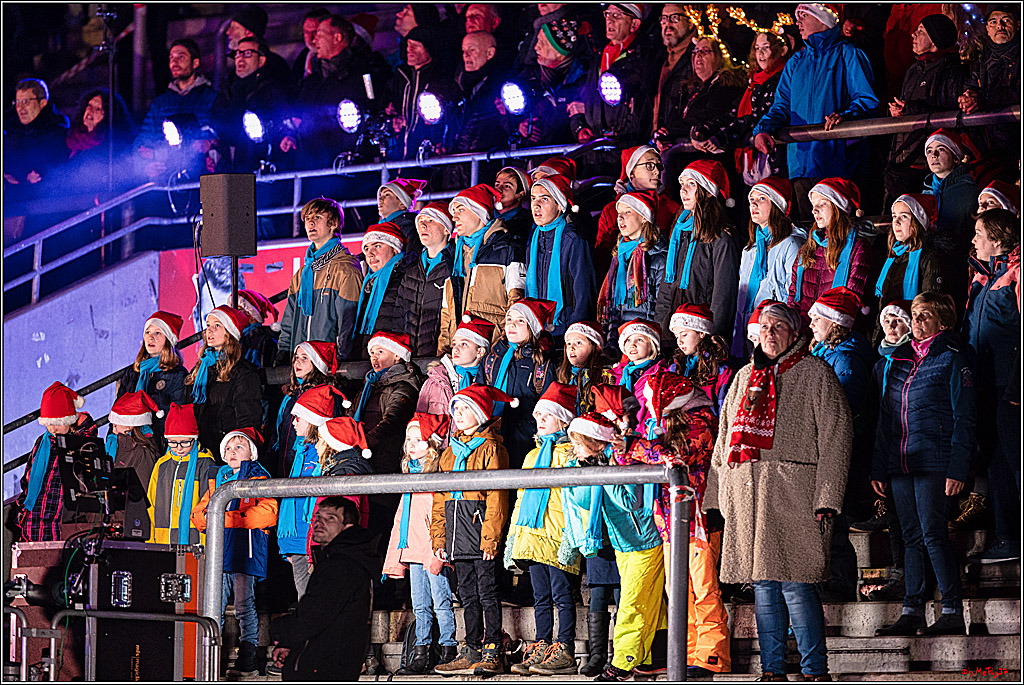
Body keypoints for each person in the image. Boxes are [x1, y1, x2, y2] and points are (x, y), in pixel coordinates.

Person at [704, 301, 852, 681]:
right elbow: (724, 440)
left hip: (795, 495)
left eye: (778, 327)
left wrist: (828, 496)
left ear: (794, 332)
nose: (769, 333)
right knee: (764, 588)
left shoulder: (816, 373)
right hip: (748, 496)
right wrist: (717, 496)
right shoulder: (744, 376)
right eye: (764, 327)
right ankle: (772, 671)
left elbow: (836, 438)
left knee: (797, 585)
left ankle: (815, 670)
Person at [613, 372, 730, 678]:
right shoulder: (660, 427)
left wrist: (634, 445)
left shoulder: (701, 422)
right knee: (678, 591)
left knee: (704, 589)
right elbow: (631, 457)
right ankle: (687, 654)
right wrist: (625, 445)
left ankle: (711, 654)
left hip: (700, 521)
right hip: (669, 522)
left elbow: (677, 456)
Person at [872, 293, 975, 636]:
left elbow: (965, 416)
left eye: (925, 315)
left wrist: (958, 468)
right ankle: (912, 610)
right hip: (902, 462)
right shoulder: (898, 361)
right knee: (911, 535)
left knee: (933, 533)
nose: (916, 321)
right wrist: (879, 467)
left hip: (935, 460)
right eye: (914, 315)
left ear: (942, 321)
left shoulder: (952, 358)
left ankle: (952, 609)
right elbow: (886, 420)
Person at [564, 411, 667, 682]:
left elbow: (630, 501)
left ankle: (622, 663)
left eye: (577, 443)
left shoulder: (623, 458)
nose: (574, 449)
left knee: (633, 604)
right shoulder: (597, 462)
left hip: (644, 540)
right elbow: (584, 502)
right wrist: (590, 471)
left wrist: (604, 474)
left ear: (594, 442)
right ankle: (654, 658)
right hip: (624, 544)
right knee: (648, 602)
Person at [753, 3, 879, 220]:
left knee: (839, 228)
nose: (798, 22)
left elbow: (866, 100)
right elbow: (781, 106)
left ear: (823, 19)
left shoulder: (848, 54)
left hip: (839, 163)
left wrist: (847, 116)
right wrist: (762, 129)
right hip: (801, 164)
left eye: (804, 15)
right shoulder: (796, 61)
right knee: (809, 231)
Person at [432, 384, 513, 676]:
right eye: (456, 408)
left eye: (466, 408)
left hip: (479, 534)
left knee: (487, 591)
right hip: (457, 532)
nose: (459, 413)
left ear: (480, 413)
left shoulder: (492, 448)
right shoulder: (449, 452)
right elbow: (439, 497)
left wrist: (490, 539)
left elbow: (497, 497)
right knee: (466, 593)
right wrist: (439, 537)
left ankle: (493, 648)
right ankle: (471, 649)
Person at [506, 382, 580, 676]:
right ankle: (542, 644)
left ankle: (565, 648)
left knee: (562, 594)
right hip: (533, 535)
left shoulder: (571, 454)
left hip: (557, 536)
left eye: (547, 416)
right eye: (538, 416)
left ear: (563, 419)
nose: (540, 421)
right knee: (540, 596)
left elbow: (575, 502)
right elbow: (521, 499)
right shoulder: (531, 456)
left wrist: (571, 538)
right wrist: (514, 538)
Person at [192, 427, 278, 677]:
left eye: (239, 447)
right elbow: (198, 515)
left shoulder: (259, 477)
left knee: (244, 606)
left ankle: (248, 657)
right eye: (228, 448)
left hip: (246, 555)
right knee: (214, 606)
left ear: (252, 453)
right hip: (219, 554)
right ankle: (211, 658)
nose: (232, 451)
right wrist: (218, 519)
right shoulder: (218, 479)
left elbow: (268, 514)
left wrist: (226, 519)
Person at [271, 497, 382, 681]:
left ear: (347, 527)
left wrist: (279, 628)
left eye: (331, 518)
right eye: (318, 516)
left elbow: (313, 616)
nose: (319, 522)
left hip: (323, 670)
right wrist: (291, 644)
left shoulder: (341, 566)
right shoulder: (340, 560)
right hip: (325, 666)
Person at [963, 209, 1020, 563]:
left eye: (979, 233)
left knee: (1017, 461)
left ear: (997, 240)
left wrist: (1017, 387)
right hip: (983, 385)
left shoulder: (1017, 274)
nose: (973, 240)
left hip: (1010, 388)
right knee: (996, 462)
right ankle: (1007, 538)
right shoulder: (982, 277)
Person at [384, 414, 458, 675]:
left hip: (433, 548)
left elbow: (441, 516)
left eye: (419, 440)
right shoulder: (408, 476)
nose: (411, 445)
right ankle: (421, 653)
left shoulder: (437, 475)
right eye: (409, 439)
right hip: (413, 547)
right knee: (420, 604)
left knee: (441, 601)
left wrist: (441, 550)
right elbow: (401, 518)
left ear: (433, 444)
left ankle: (448, 648)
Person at [883, 14, 968, 206]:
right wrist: (896, 112)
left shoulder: (951, 70)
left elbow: (948, 113)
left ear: (935, 41)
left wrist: (910, 109)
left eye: (921, 31)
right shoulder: (914, 69)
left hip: (926, 163)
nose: (913, 34)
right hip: (902, 159)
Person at [655, 160, 740, 347]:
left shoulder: (720, 238)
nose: (683, 190)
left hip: (701, 333)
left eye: (691, 184)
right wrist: (661, 328)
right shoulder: (679, 232)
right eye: (682, 184)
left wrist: (712, 336)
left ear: (708, 191)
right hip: (674, 332)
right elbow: (667, 285)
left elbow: (723, 295)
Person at [692, 29, 792, 186]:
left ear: (782, 50)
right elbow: (734, 112)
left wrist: (723, 136)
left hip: (777, 159)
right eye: (757, 48)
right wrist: (706, 128)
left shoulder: (781, 79)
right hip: (755, 163)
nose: (761, 53)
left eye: (766, 47)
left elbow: (757, 116)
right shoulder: (754, 82)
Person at [438, 184, 526, 352]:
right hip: (460, 351)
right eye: (454, 211)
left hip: (494, 347)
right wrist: (444, 349)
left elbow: (517, 301)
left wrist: (505, 345)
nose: (454, 217)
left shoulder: (507, 247)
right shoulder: (453, 254)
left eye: (460, 210)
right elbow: (446, 312)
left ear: (479, 213)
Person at [277, 384, 344, 599]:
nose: (293, 422)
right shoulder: (301, 451)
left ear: (313, 421)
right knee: (305, 597)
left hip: (313, 540)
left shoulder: (323, 454)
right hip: (298, 541)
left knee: (318, 598)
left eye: (298, 417)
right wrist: (288, 544)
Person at [277, 197, 363, 363]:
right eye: (308, 218)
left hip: (329, 363)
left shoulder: (345, 269)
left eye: (317, 217)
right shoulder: (302, 273)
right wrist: (284, 353)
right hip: (301, 364)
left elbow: (349, 323)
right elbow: (289, 320)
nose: (310, 223)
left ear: (333, 223)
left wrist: (340, 359)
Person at [478, 299, 557, 467]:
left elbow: (547, 405)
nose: (512, 325)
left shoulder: (542, 364)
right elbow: (479, 395)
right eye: (509, 319)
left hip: (524, 438)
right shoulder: (491, 359)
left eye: (520, 321)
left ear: (533, 328)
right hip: (489, 436)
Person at [731, 178, 806, 356]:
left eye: (762, 199)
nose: (754, 204)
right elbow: (743, 296)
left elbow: (793, 293)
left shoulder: (791, 244)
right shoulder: (750, 250)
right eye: (751, 200)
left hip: (773, 332)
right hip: (749, 329)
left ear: (777, 204)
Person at [659, 36, 746, 185]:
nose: (698, 56)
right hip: (685, 167)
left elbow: (707, 115)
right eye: (695, 52)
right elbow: (674, 118)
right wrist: (662, 134)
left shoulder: (727, 85)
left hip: (711, 168)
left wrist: (671, 131)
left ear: (720, 56)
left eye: (705, 51)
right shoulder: (690, 88)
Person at [16, 382, 96, 542]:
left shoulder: (80, 443)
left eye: (58, 423)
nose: (53, 428)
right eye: (48, 423)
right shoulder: (43, 442)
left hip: (62, 518)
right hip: (35, 516)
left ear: (70, 420)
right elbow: (29, 475)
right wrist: (23, 505)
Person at [787, 178, 874, 322]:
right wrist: (795, 328)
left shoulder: (857, 248)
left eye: (822, 204)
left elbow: (851, 300)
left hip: (835, 329)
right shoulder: (807, 248)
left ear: (838, 207)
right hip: (804, 328)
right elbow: (793, 299)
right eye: (813, 205)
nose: (814, 210)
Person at [568, 3, 655, 146]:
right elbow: (578, 101)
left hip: (626, 146)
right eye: (607, 14)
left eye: (617, 15)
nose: (609, 20)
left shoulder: (646, 58)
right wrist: (579, 127)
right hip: (596, 146)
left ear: (634, 24)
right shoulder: (599, 56)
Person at [133, 39, 220, 181]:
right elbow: (142, 141)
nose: (174, 62)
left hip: (204, 179)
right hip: (166, 179)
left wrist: (210, 145)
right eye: (171, 58)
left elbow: (222, 137)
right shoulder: (160, 103)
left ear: (195, 63)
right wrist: (146, 166)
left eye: (181, 57)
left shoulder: (212, 98)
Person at [526, 174, 596, 337]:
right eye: (533, 198)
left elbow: (583, 291)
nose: (536, 205)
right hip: (539, 328)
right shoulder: (534, 239)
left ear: (559, 205)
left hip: (566, 328)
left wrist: (576, 331)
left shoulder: (573, 238)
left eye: (544, 199)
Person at [185, 305, 262, 455]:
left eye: (217, 326)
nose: (209, 331)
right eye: (208, 325)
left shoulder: (243, 372)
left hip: (224, 452)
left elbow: (247, 419)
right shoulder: (200, 368)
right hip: (198, 450)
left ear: (229, 332)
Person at [595, 145, 681, 278]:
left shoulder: (672, 209)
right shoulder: (612, 211)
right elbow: (602, 258)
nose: (657, 172)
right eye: (649, 165)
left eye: (659, 166)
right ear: (631, 172)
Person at [597, 190, 668, 352]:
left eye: (627, 212)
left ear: (644, 217)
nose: (620, 218)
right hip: (621, 341)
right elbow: (614, 304)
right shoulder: (619, 256)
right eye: (619, 213)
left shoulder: (658, 257)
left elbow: (662, 305)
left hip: (645, 342)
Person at [508, 16, 590, 146]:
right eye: (538, 41)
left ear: (560, 52)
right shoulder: (529, 77)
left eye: (543, 43)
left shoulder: (583, 81)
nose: (536, 47)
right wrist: (520, 125)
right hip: (535, 153)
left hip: (567, 152)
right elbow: (505, 115)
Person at [351, 331, 424, 477]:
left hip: (384, 458)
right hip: (362, 453)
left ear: (397, 355)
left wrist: (362, 443)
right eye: (372, 353)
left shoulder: (403, 386)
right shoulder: (370, 384)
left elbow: (392, 422)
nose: (374, 357)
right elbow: (351, 413)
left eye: (380, 352)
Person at [959, 5, 1020, 173]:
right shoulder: (981, 58)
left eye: (1006, 20)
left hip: (1015, 145)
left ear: (1018, 24)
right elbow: (971, 84)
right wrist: (966, 98)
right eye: (993, 22)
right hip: (988, 148)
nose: (999, 26)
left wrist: (982, 99)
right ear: (987, 28)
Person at [383, 25, 458, 160]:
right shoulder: (399, 79)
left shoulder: (442, 81)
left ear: (430, 49)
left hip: (429, 158)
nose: (409, 50)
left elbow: (452, 119)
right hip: (399, 156)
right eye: (408, 45)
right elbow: (386, 111)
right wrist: (394, 120)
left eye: (416, 45)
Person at [147, 402, 217, 544]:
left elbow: (210, 507)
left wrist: (207, 546)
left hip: (195, 541)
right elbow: (150, 504)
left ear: (195, 438)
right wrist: (149, 541)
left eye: (184, 442)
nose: (178, 448)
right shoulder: (161, 464)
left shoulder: (205, 464)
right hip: (162, 540)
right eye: (172, 442)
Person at [270, 341, 340, 476]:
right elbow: (279, 429)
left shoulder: (324, 396)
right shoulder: (291, 395)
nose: (297, 362)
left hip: (308, 459)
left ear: (316, 363)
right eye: (296, 357)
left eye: (304, 358)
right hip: (285, 457)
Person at [395, 202, 455, 357]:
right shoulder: (410, 272)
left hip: (441, 355)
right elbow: (399, 317)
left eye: (430, 220)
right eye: (420, 221)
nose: (423, 225)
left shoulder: (455, 268)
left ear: (446, 229)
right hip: (410, 357)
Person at [117, 311, 187, 441]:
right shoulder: (133, 372)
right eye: (148, 332)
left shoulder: (177, 374)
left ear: (168, 339)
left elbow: (178, 415)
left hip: (159, 441)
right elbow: (118, 407)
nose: (151, 337)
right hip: (130, 442)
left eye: (158, 333)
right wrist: (113, 435)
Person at [4, 78, 70, 215]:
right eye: (17, 102)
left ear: (42, 103)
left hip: (43, 206)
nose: (20, 108)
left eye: (26, 102)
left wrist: (20, 175)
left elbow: (45, 169)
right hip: (11, 203)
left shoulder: (57, 130)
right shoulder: (11, 127)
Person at [875, 194, 944, 314]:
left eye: (904, 216)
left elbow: (928, 306)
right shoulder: (894, 255)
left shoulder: (928, 258)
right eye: (894, 216)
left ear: (918, 222)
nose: (896, 222)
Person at [62, 87, 134, 197]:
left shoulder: (112, 147)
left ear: (109, 115)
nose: (90, 111)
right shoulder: (72, 138)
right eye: (89, 105)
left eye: (98, 109)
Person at [418, 315, 494, 416]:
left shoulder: (489, 381)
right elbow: (419, 416)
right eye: (454, 344)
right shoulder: (436, 379)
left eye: (463, 344)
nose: (455, 349)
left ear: (480, 352)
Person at [353, 223, 409, 358]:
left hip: (391, 357)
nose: (370, 254)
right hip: (369, 355)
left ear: (395, 249)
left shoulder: (407, 278)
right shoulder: (368, 283)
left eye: (377, 246)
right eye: (366, 248)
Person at [669, 304, 733, 415]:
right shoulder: (675, 367)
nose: (679, 341)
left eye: (684, 334)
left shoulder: (721, 371)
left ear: (701, 333)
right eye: (676, 336)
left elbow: (724, 411)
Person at [449, 31, 506, 157]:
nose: (466, 55)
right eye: (463, 50)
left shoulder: (503, 86)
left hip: (487, 160)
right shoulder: (457, 86)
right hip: (456, 161)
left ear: (489, 53)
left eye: (472, 50)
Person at [650, 5, 697, 148]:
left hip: (684, 145)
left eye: (674, 18)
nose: (668, 25)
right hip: (659, 144)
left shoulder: (698, 57)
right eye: (664, 19)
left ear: (690, 22)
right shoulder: (658, 58)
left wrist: (673, 132)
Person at [105, 391, 161, 506]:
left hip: (131, 511)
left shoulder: (142, 452)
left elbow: (145, 493)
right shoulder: (114, 442)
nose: (113, 430)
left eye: (115, 425)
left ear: (129, 425)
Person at [611, 318, 670, 427]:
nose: (632, 345)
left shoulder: (660, 374)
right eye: (628, 340)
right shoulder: (619, 373)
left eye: (639, 340)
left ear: (652, 345)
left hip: (646, 430)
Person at [556, 320, 613, 414]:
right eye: (569, 344)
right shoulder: (563, 374)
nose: (571, 348)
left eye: (578, 343)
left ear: (596, 347)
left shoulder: (606, 375)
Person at [377, 177, 427, 252]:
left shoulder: (408, 226)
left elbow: (411, 256)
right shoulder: (388, 225)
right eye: (380, 195)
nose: (380, 199)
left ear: (402, 203)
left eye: (387, 195)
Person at [235, 289, 280, 371]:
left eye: (239, 310)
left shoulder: (262, 339)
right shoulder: (238, 337)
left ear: (252, 315)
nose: (234, 315)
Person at [493, 166, 533, 247]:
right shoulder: (484, 216)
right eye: (497, 184)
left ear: (520, 195)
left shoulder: (526, 225)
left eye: (507, 186)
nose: (499, 189)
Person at [290, 8, 331, 83]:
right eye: (306, 32)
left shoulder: (334, 61)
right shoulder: (302, 56)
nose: (310, 38)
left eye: (315, 32)